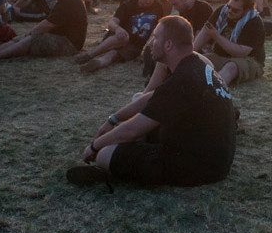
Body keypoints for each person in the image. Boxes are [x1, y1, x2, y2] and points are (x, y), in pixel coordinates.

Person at [66, 15, 236, 188]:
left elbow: (133, 129)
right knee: (130, 131)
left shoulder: (184, 78)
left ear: (168, 45)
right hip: (210, 154)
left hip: (199, 166)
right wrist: (113, 119)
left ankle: (116, 171)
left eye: (155, 38)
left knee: (104, 154)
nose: (151, 43)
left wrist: (95, 147)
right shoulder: (195, 65)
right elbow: (153, 97)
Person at [75, 0, 164, 74]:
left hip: (134, 46)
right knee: (124, 37)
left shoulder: (157, 8)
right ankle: (90, 55)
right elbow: (112, 23)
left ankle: (97, 63)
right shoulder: (127, 5)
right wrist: (118, 29)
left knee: (112, 54)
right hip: (117, 38)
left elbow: (161, 26)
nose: (149, 1)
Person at [0, 0, 88, 59]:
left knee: (30, 39)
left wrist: (30, 34)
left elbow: (47, 25)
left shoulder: (68, 2)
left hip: (69, 45)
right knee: (22, 38)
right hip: (66, 40)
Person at [194, 0, 265, 85]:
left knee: (231, 67)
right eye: (229, 6)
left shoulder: (254, 22)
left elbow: (241, 52)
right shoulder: (222, 11)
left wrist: (216, 36)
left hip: (248, 59)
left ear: (246, 10)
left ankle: (216, 88)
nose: (230, 11)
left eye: (235, 10)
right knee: (198, 62)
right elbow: (205, 32)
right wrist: (190, 53)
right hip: (221, 56)